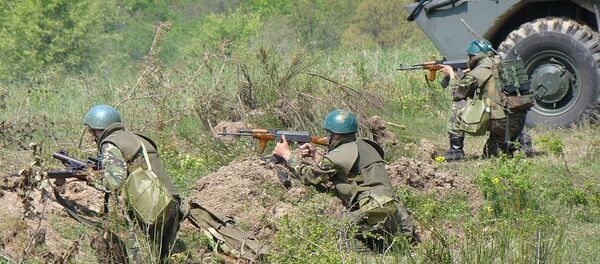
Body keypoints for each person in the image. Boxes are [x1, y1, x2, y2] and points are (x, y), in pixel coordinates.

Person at [273, 109, 419, 252]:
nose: (326, 137)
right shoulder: (367, 146)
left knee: (338, 228)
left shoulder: (338, 156)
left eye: (328, 134)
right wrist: (315, 154)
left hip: (375, 211)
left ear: (335, 136)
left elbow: (309, 176)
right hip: (397, 215)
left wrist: (287, 155)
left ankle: (368, 255)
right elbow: (343, 170)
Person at [79, 105, 181, 263]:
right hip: (170, 200)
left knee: (143, 255)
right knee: (167, 255)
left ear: (100, 128)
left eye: (92, 131)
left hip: (150, 207)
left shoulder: (110, 144)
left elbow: (114, 182)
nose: (92, 136)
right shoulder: (137, 138)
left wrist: (93, 179)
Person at [440, 40, 530, 161]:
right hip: (517, 121)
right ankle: (518, 141)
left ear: (473, 56)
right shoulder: (503, 64)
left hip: (499, 123)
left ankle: (455, 151)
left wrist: (451, 75)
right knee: (489, 155)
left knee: (458, 105)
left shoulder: (479, 71)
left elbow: (457, 93)